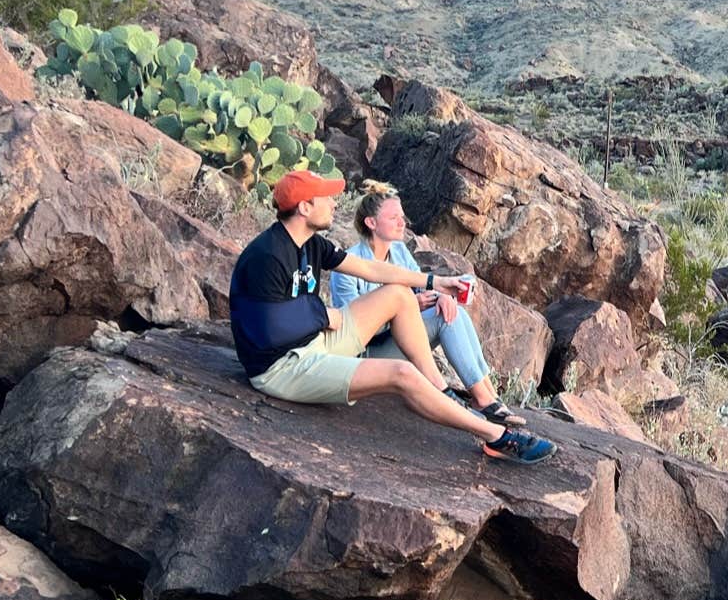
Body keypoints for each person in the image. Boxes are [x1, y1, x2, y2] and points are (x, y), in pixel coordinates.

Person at [228, 169, 556, 464]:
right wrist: (321, 314)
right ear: (304, 208)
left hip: (315, 341)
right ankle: (496, 437)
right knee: (401, 373)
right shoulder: (267, 256)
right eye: (326, 197)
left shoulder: (312, 244)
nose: (334, 202)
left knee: (398, 295)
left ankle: (441, 392)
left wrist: (436, 282)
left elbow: (371, 268)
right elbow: (266, 331)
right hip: (283, 366)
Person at [329, 180, 525, 429]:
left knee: (450, 311)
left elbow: (420, 286)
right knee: (442, 315)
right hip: (367, 355)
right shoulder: (350, 265)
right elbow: (353, 331)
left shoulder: (398, 251)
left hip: (400, 342)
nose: (403, 222)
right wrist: (406, 309)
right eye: (394, 218)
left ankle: (485, 394)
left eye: (402, 216)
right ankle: (482, 399)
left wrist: (441, 295)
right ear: (371, 223)